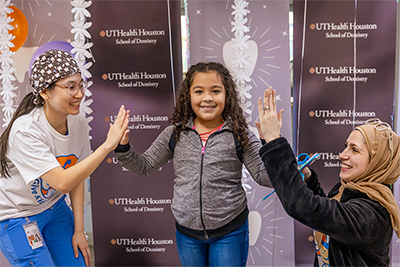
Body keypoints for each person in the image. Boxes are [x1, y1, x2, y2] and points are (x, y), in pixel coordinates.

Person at [115, 62, 272, 266]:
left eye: (216, 91)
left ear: (227, 95)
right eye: (199, 91)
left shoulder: (240, 135)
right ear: (188, 96)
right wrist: (123, 147)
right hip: (187, 235)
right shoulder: (174, 134)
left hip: (229, 232)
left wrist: (272, 144)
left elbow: (264, 177)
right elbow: (143, 166)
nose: (207, 98)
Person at [0, 49, 129, 266]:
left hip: (54, 208)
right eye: (70, 87)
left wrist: (79, 231)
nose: (79, 94)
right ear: (44, 92)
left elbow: (78, 176)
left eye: (81, 85)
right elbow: (62, 182)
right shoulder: (26, 131)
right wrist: (107, 145)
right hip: (17, 215)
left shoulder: (77, 122)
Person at [256, 87, 400, 266]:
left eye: (354, 150)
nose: (342, 154)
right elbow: (328, 214)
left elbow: (308, 208)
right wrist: (309, 179)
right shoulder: (350, 190)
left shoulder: (373, 213)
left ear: (377, 162)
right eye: (346, 146)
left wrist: (274, 143)